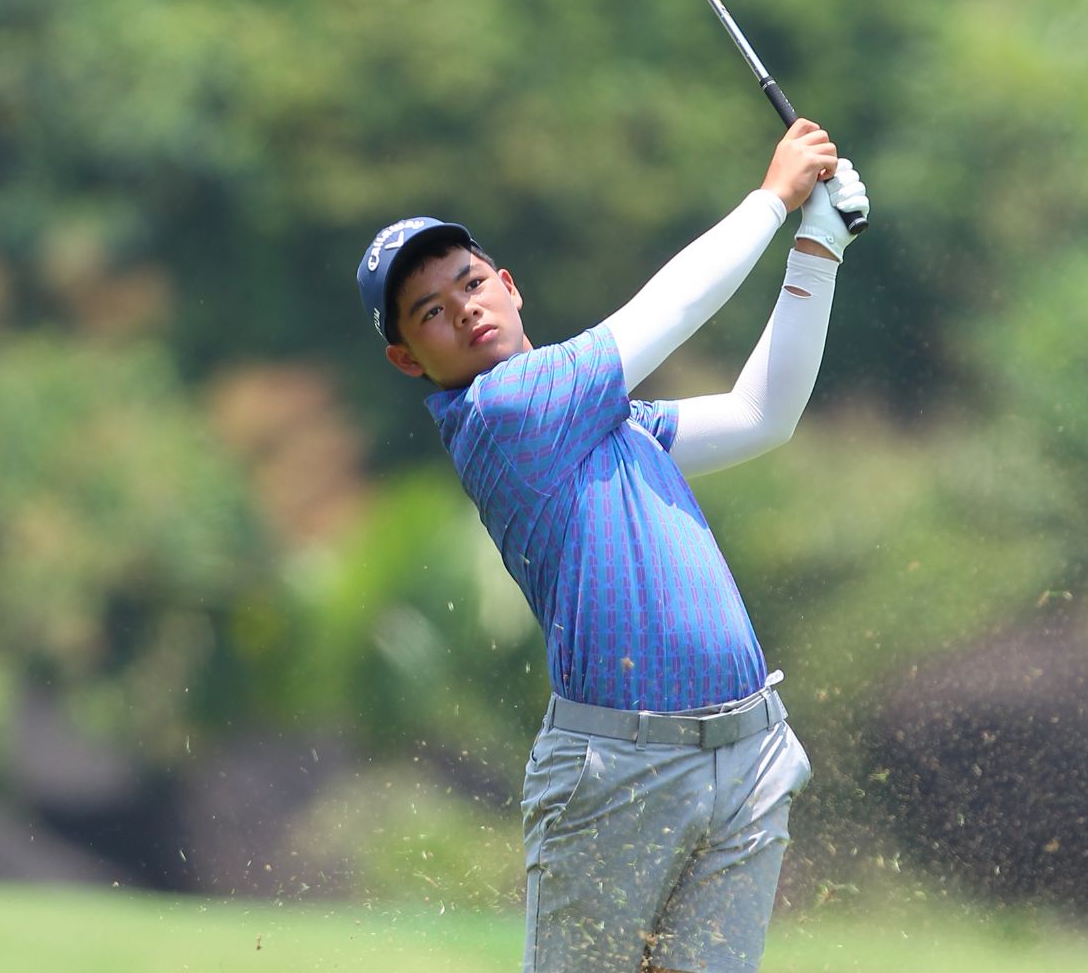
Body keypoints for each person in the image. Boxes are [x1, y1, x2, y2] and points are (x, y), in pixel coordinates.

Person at [355, 119, 869, 973]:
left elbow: (759, 416)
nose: (465, 309)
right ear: (408, 360)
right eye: (430, 313)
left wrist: (819, 250)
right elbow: (663, 315)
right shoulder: (506, 414)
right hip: (617, 774)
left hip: (748, 758)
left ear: (509, 287)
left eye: (471, 283)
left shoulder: (604, 420)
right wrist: (774, 200)